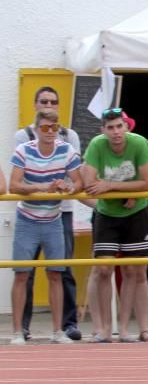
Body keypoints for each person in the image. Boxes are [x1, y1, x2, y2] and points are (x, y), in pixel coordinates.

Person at [81, 108, 148, 343]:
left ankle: (125, 328)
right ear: (103, 130)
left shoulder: (139, 144)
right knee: (103, 268)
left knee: (134, 270)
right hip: (107, 212)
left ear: (126, 126)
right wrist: (118, 188)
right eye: (111, 128)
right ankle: (104, 328)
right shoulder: (96, 145)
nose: (116, 132)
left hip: (135, 212)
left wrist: (112, 186)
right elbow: (89, 183)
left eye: (119, 126)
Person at [8, 108, 83, 345]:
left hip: (53, 219)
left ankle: (57, 331)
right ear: (36, 129)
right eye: (45, 128)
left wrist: (68, 188)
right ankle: (18, 332)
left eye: (54, 128)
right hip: (27, 219)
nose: (50, 132)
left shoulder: (67, 149)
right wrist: (44, 188)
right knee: (21, 275)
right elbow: (14, 185)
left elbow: (78, 181)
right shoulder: (24, 150)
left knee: (56, 275)